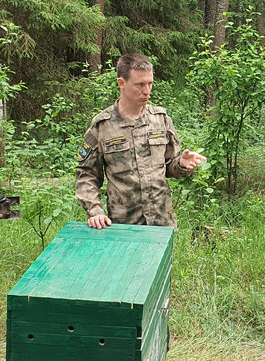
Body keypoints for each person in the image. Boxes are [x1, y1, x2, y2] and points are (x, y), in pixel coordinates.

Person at [75, 53, 204, 229]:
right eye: (140, 85)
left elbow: (169, 166)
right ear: (121, 83)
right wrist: (95, 210)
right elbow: (86, 174)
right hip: (124, 224)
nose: (147, 91)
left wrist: (181, 164)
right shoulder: (102, 125)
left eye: (150, 83)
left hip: (161, 222)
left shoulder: (161, 119)